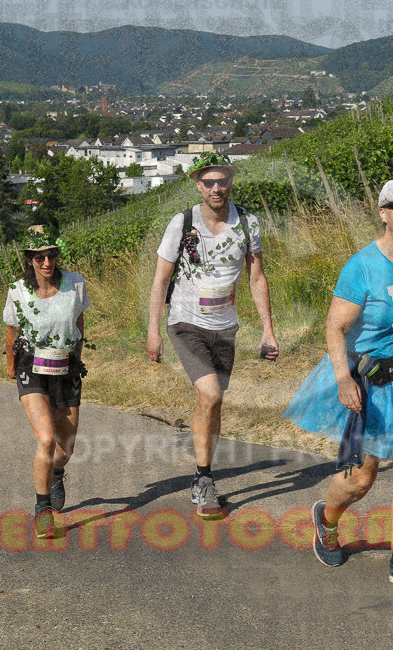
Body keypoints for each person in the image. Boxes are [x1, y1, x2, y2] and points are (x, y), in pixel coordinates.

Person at [284, 177, 393, 589]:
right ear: (383, 213)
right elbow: (335, 327)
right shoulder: (362, 265)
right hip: (371, 381)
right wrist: (344, 377)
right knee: (362, 476)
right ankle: (327, 518)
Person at [146, 152, 279, 519]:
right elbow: (160, 279)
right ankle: (203, 481)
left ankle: (204, 469)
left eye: (222, 181)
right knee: (211, 392)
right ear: (198, 184)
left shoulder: (248, 223)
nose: (216, 188)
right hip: (185, 323)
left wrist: (267, 329)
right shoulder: (183, 222)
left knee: (214, 402)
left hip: (225, 326)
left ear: (231, 182)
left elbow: (256, 277)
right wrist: (153, 330)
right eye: (209, 182)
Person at [3, 226, 89, 534]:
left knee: (64, 451)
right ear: (29, 259)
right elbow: (12, 330)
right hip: (32, 367)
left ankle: (55, 475)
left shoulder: (75, 284)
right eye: (39, 257)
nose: (46, 262)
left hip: (66, 367)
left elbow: (79, 322)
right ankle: (43, 509)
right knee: (46, 439)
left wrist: (76, 357)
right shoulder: (18, 290)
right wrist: (12, 366)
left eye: (51, 254)